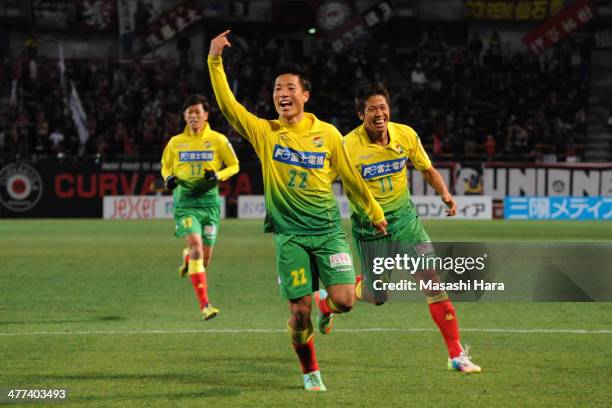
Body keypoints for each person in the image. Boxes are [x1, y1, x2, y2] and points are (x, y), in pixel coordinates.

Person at [208, 30, 387, 391]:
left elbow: (351, 178)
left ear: (305, 95)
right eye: (277, 88)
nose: (282, 94)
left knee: (345, 301)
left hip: (328, 231)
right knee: (298, 310)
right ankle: (310, 371)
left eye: (289, 88)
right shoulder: (266, 133)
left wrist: (374, 211)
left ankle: (327, 308)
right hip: (290, 236)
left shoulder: (329, 134)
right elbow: (228, 107)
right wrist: (214, 61)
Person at [344, 83, 481, 373]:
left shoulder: (405, 135)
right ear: (360, 114)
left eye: (383, 107)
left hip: (405, 220)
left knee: (432, 279)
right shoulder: (346, 147)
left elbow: (427, 169)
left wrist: (444, 193)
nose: (379, 114)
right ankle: (334, 299)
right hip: (370, 228)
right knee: (378, 296)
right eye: (372, 109)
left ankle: (456, 354)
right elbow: (324, 178)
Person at [161, 94, 239, 321]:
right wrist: (168, 179)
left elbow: (234, 165)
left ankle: (188, 259)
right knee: (196, 248)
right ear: (184, 116)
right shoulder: (175, 143)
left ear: (206, 115)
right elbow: (165, 167)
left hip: (210, 205)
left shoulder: (218, 140)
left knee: (203, 260)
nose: (193, 116)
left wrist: (218, 175)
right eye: (189, 112)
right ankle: (206, 305)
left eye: (198, 112)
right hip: (186, 204)